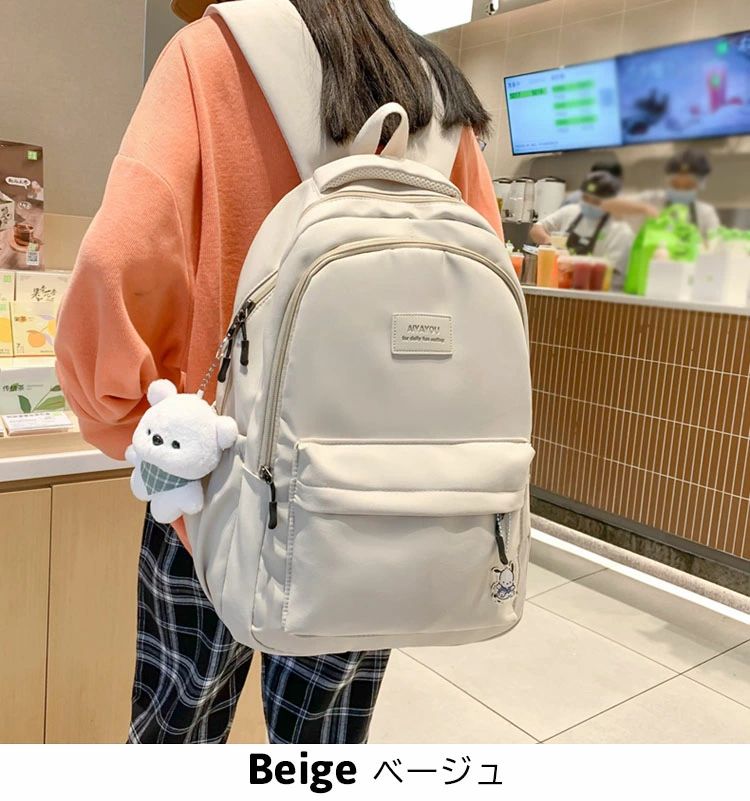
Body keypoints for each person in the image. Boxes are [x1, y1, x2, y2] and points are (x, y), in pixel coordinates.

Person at [55, 0, 502, 744]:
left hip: (212, 486)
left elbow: (115, 259)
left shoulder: (212, 55)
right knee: (322, 743)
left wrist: (132, 422)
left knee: (178, 726)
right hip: (374, 502)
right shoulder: (437, 93)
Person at [531, 170, 634, 289]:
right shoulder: (571, 212)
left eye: (595, 201)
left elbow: (612, 271)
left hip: (594, 294)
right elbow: (536, 229)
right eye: (586, 198)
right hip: (560, 287)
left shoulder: (620, 231)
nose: (589, 204)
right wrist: (549, 242)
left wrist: (574, 263)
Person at [601, 148, 720, 238]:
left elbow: (716, 244)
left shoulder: (705, 212)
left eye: (688, 186)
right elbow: (606, 204)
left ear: (700, 185)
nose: (681, 190)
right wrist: (644, 208)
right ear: (667, 181)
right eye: (675, 185)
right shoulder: (652, 199)